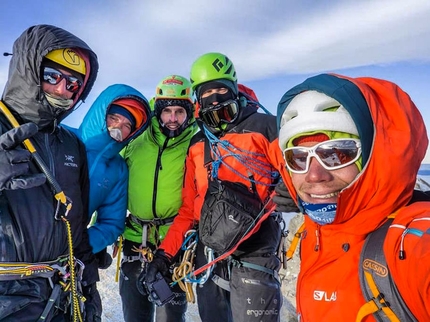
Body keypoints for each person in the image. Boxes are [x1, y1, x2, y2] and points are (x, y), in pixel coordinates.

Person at [142, 53, 287, 322]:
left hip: (255, 250)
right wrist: (165, 255)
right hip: (208, 255)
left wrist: (293, 191)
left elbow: (299, 174)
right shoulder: (198, 144)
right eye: (207, 91)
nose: (215, 97)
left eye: (221, 89)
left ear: (233, 88)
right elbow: (189, 210)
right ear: (198, 97)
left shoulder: (264, 128)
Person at [276, 73, 430, 321]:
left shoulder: (410, 244)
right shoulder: (312, 232)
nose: (314, 175)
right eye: (298, 157)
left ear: (374, 155)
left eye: (336, 153)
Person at [0, 24, 102, 321]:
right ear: (29, 69)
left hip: (61, 295)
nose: (62, 89)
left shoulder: (71, 144)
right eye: (52, 76)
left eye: (72, 84)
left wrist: (89, 287)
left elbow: (76, 222)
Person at [120, 75, 198, 322]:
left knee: (171, 318)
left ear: (189, 113)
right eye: (167, 112)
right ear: (158, 111)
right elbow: (110, 180)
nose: (173, 119)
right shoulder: (136, 138)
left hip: (174, 245)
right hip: (134, 239)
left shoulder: (195, 143)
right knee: (134, 316)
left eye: (179, 112)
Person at [65, 84, 151, 268]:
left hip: (67, 255)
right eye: (114, 118)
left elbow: (111, 222)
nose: (119, 126)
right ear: (101, 115)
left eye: (127, 125)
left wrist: (84, 245)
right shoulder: (61, 136)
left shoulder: (117, 169)